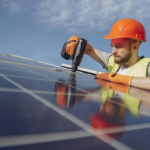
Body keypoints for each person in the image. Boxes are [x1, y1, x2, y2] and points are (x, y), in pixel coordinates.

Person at [64, 18, 150, 90]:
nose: (113, 51)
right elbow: (89, 50)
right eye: (112, 46)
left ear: (135, 47)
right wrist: (78, 42)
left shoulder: (146, 66)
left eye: (118, 46)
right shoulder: (112, 60)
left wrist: (119, 79)